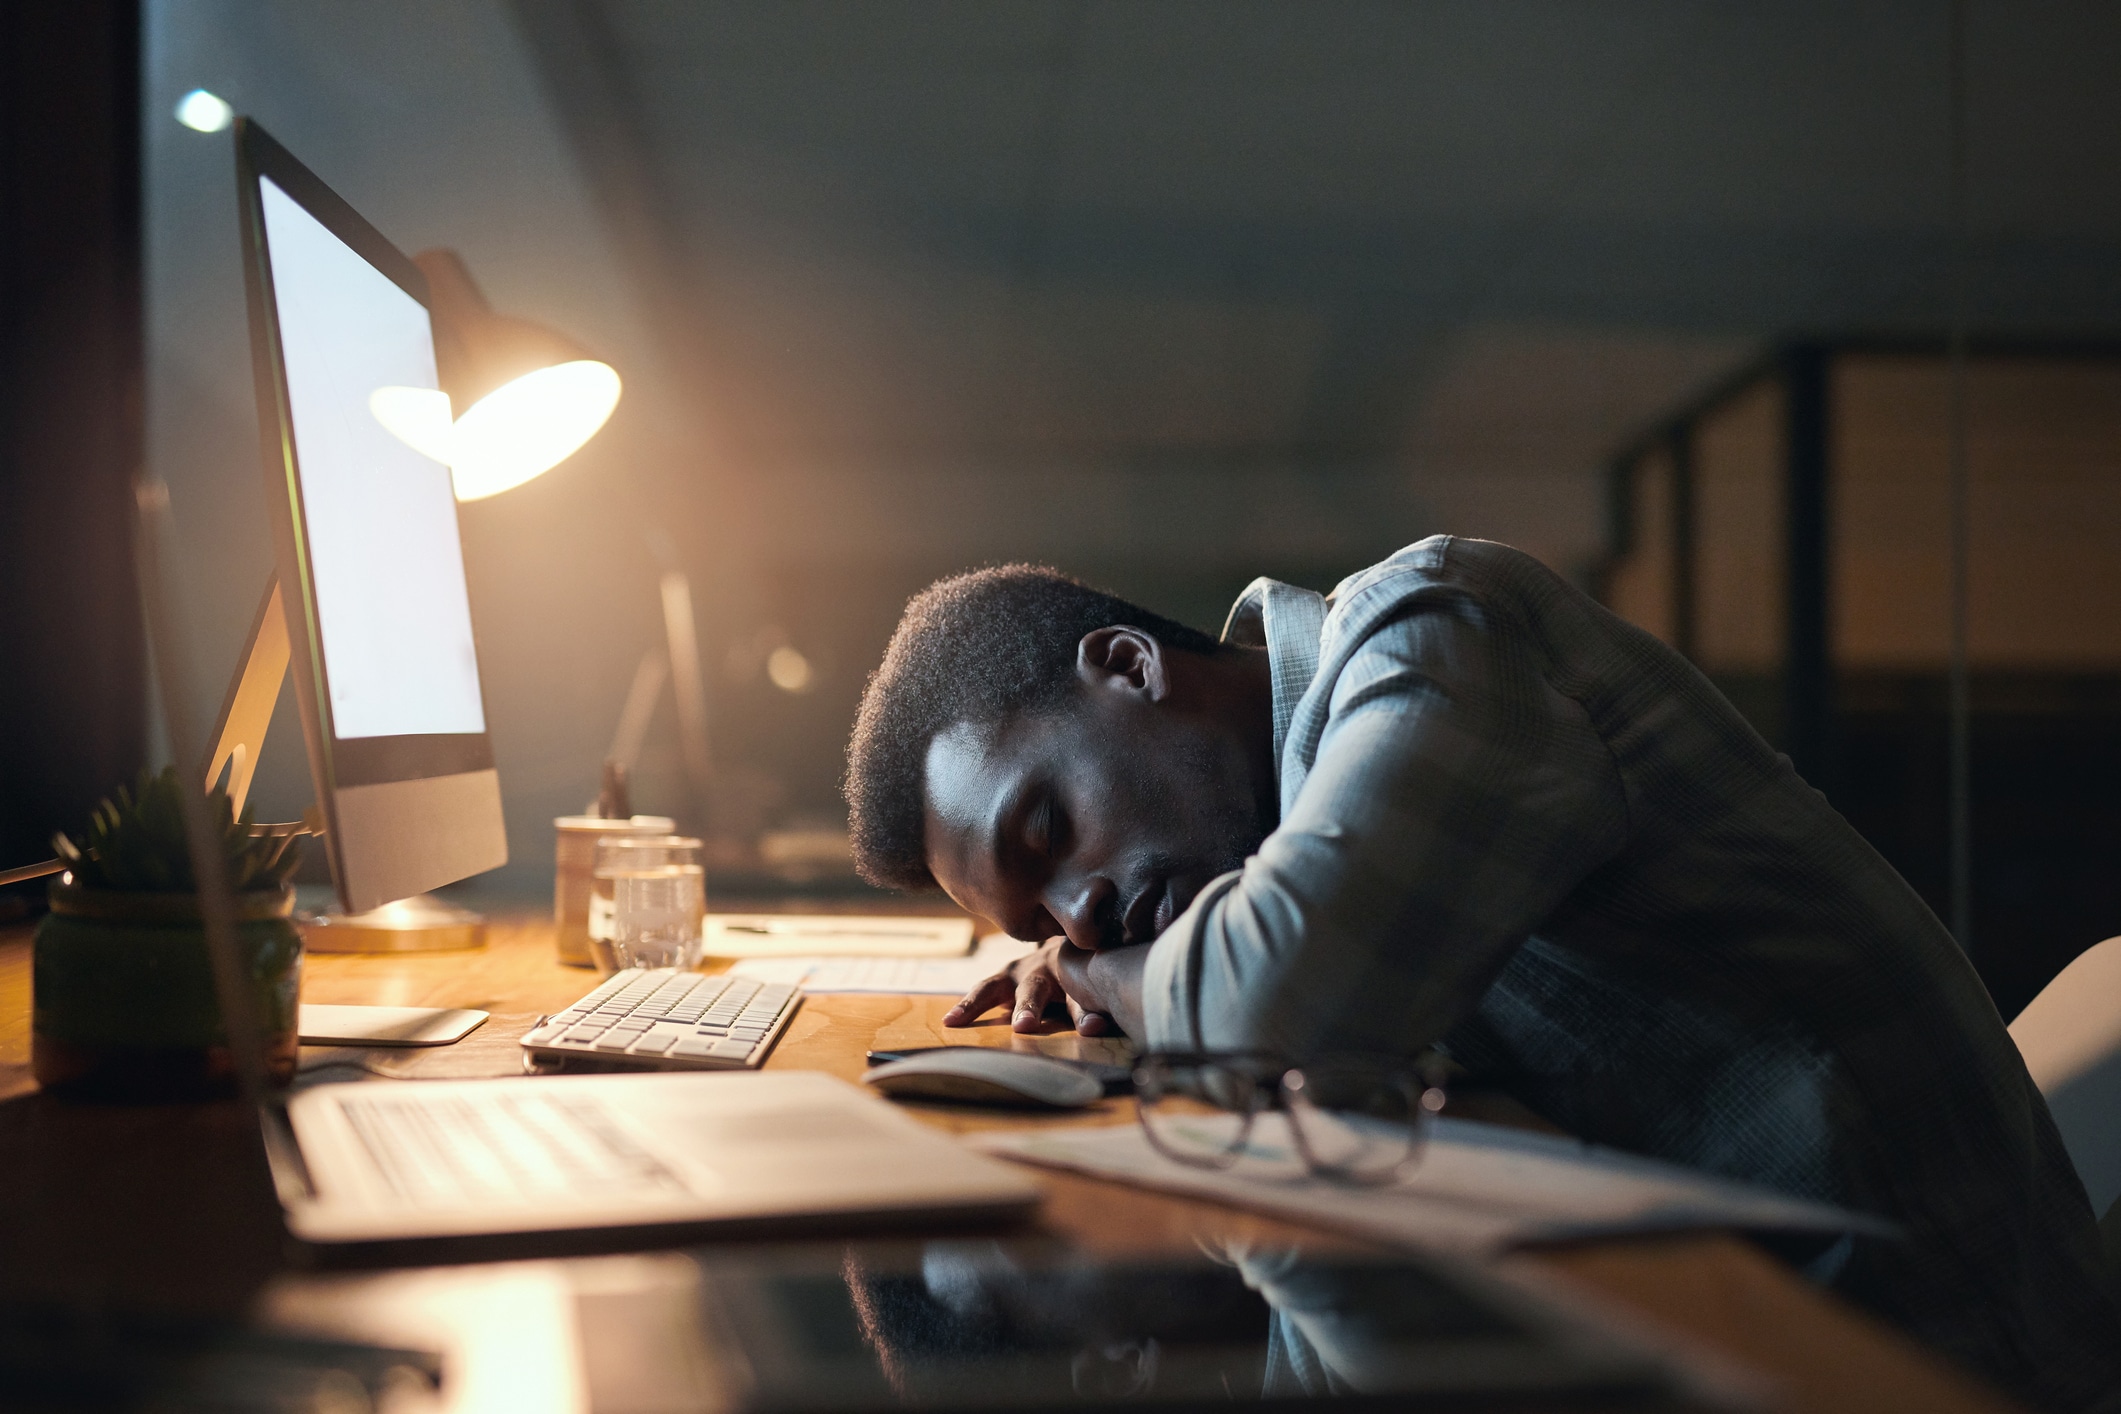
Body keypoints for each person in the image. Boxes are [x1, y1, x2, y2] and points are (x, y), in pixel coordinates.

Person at [843, 536, 2121, 1411]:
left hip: (1935, 1371)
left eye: (1048, 831)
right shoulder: (1291, 831)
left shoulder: (1434, 630)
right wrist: (1122, 977)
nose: (1081, 917)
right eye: (1041, 921)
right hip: (1747, 1340)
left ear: (1130, 667)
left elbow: (1271, 1003)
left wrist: (1115, 981)